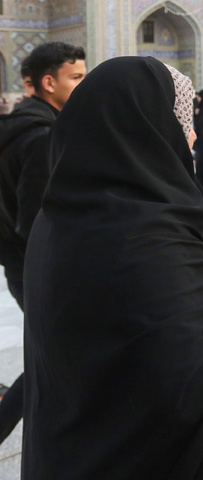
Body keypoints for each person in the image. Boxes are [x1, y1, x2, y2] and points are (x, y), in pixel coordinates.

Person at [22, 56, 203, 480]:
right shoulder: (145, 238)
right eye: (179, 119)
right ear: (144, 128)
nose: (190, 134)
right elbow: (184, 393)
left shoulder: (60, 216)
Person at [0, 41, 86, 445]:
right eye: (77, 78)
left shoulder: (20, 123)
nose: (83, 86)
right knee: (56, 356)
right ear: (48, 82)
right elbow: (38, 218)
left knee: (55, 355)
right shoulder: (42, 135)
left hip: (20, 262)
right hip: (38, 266)